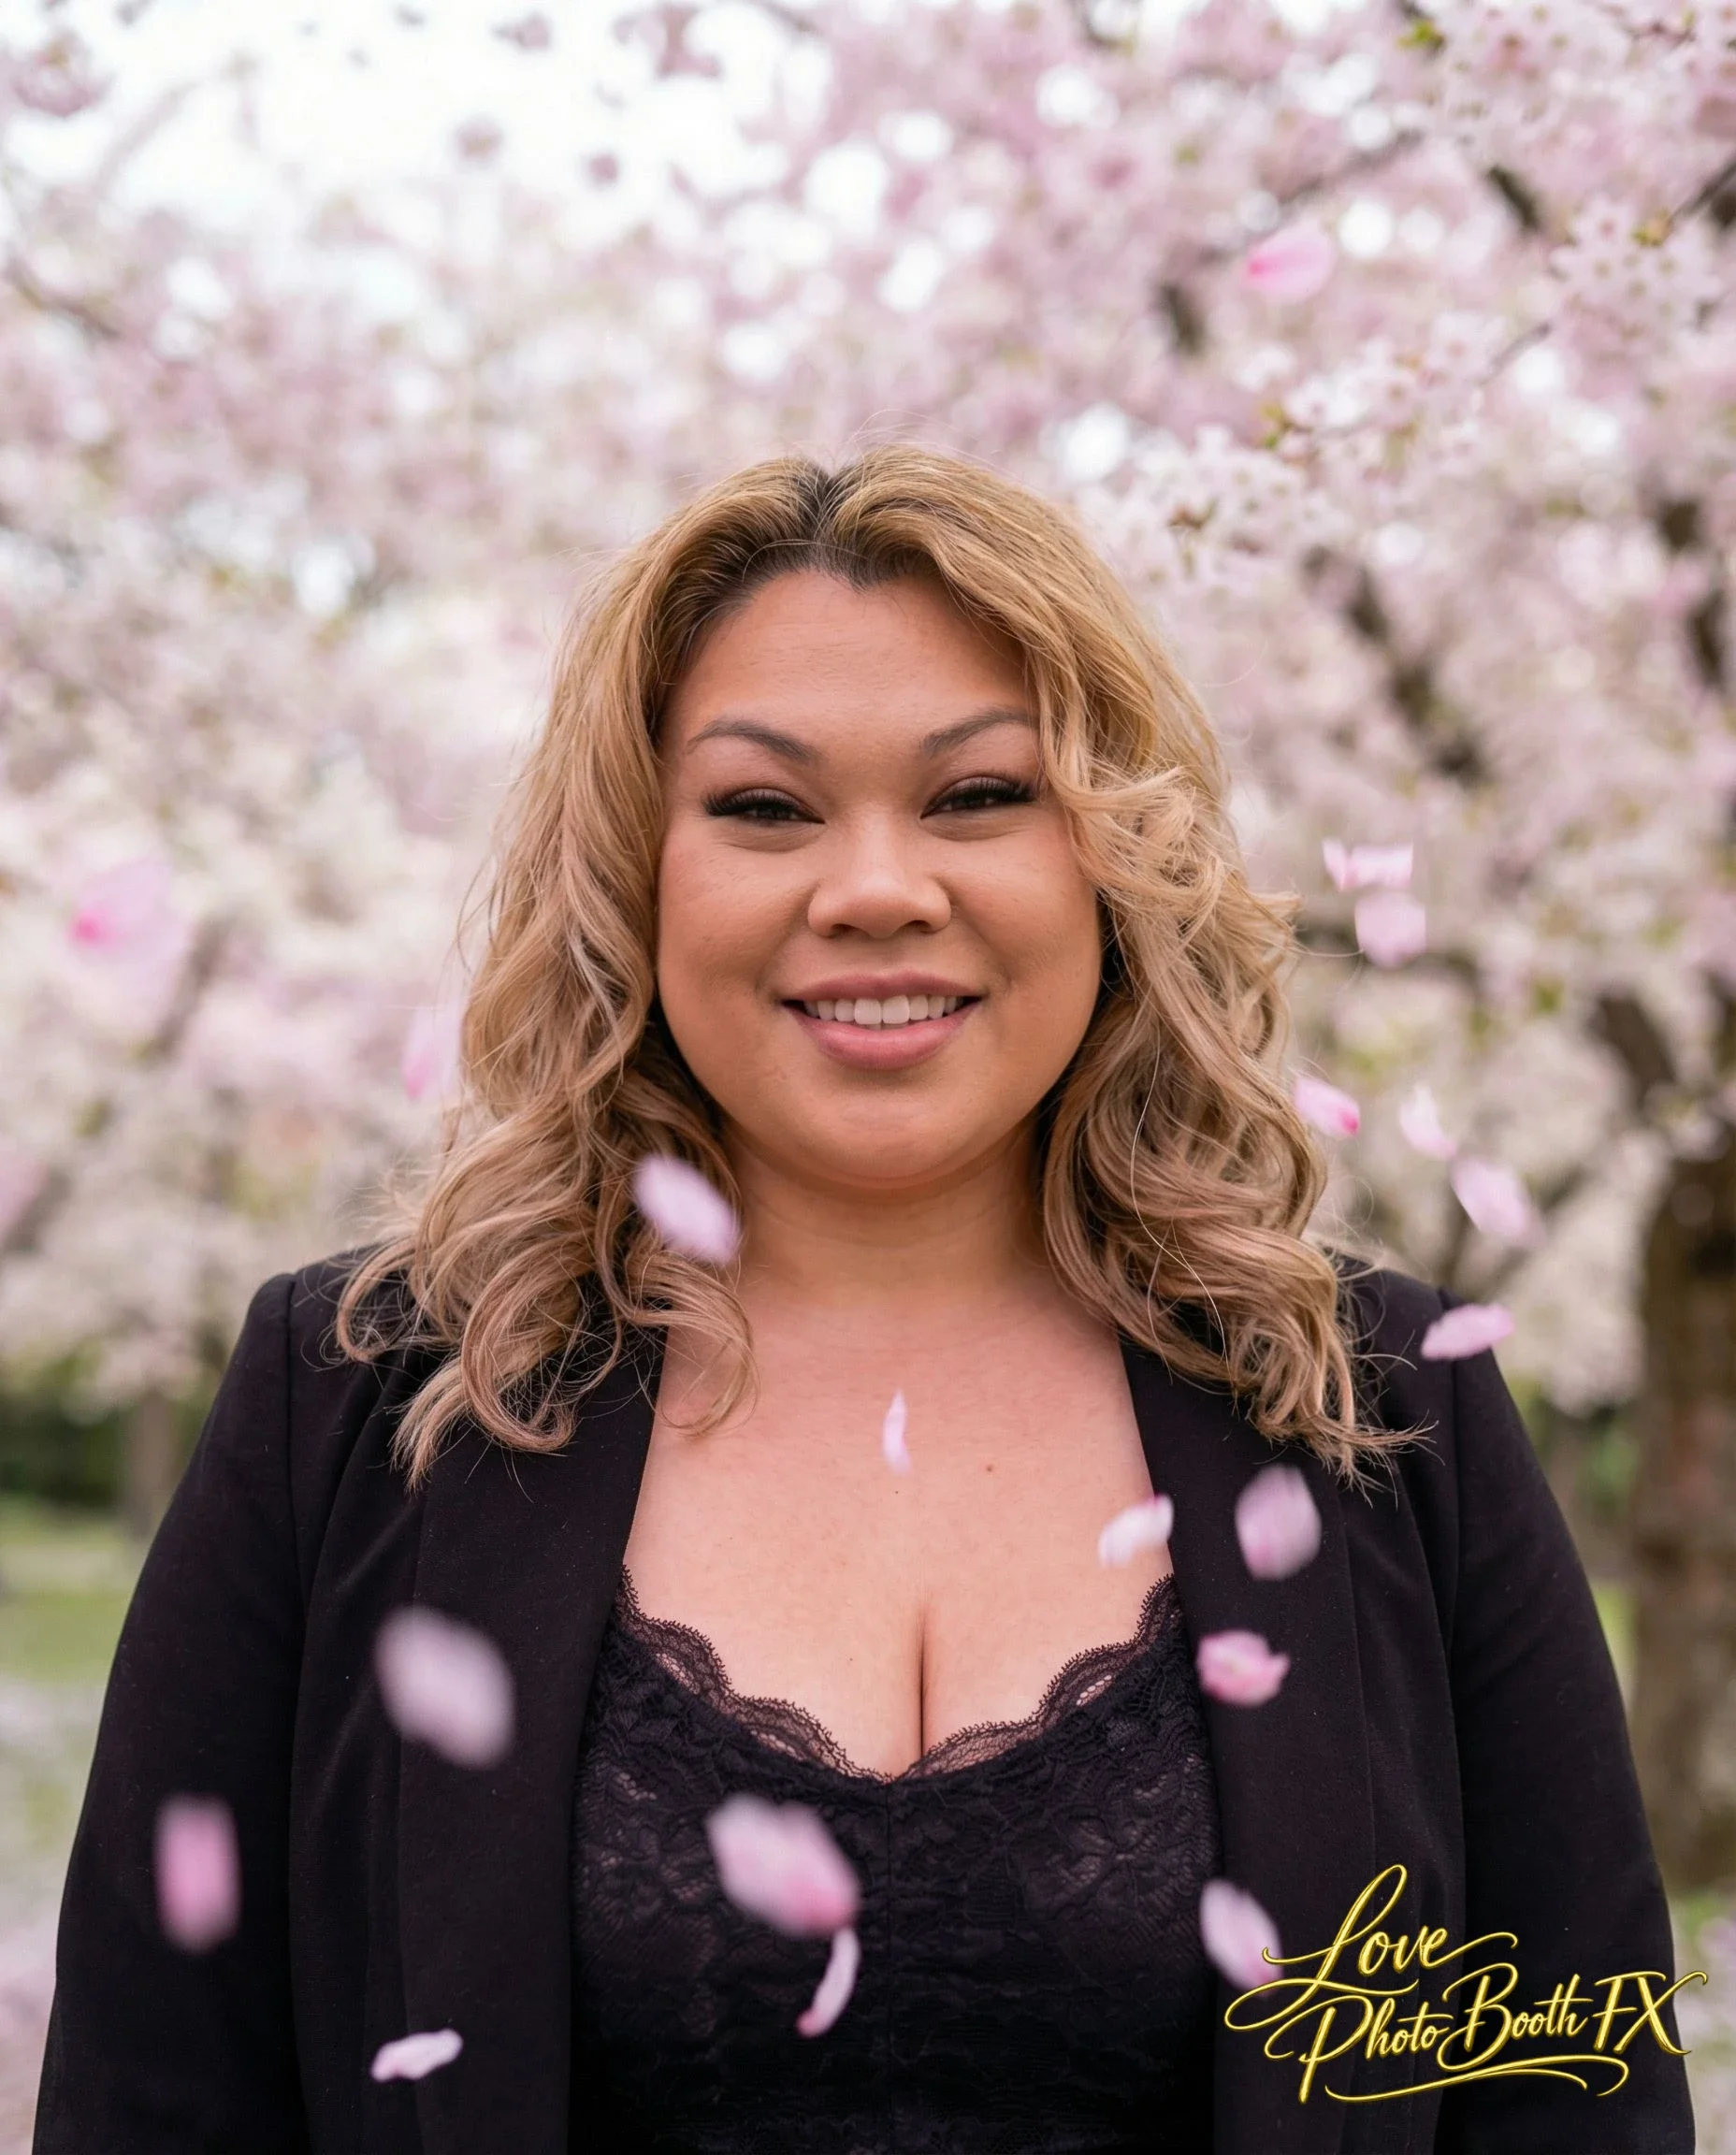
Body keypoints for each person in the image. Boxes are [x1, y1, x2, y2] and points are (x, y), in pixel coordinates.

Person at [35, 450, 1693, 2155]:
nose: (879, 887)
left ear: (1115, 858)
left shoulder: (1389, 1419)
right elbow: (149, 2103)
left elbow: (1573, 2105)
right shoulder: (351, 1411)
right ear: (637, 872)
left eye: (980, 796)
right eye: (764, 807)